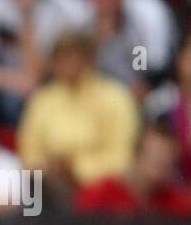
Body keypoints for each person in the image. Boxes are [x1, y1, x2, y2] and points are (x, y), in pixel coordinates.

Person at [17, 30, 140, 202]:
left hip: (101, 192)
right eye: (62, 57)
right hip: (50, 190)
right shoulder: (42, 100)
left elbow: (122, 157)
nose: (68, 63)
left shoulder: (116, 98)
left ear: (90, 58)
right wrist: (48, 169)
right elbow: (29, 151)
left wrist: (76, 169)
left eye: (74, 56)